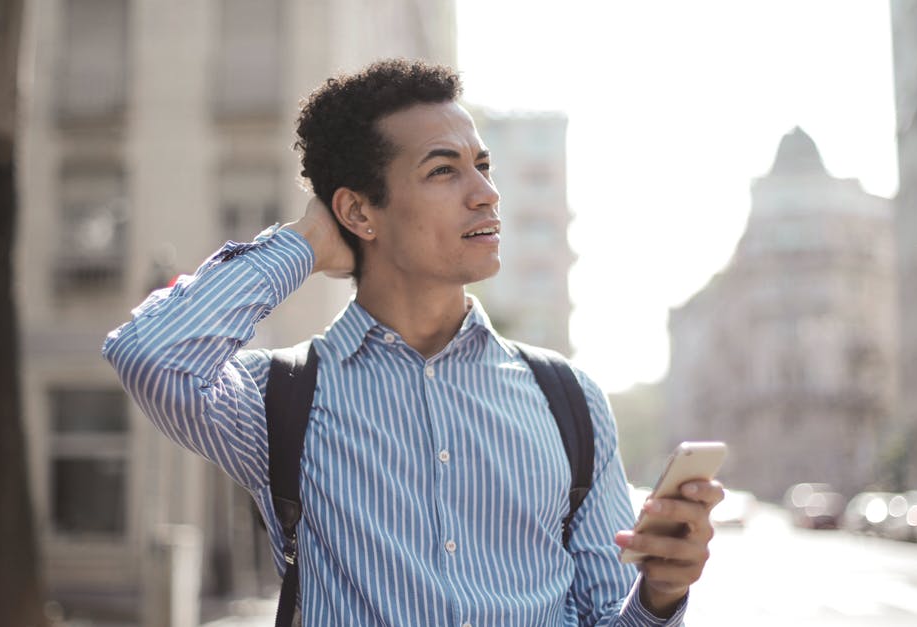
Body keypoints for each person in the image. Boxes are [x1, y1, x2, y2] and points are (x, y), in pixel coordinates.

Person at [103, 58, 722, 626]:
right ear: (359, 213)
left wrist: (658, 596)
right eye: (442, 170)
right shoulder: (281, 399)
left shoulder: (569, 400)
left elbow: (604, 612)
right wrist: (306, 243)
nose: (486, 193)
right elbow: (150, 350)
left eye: (482, 165)